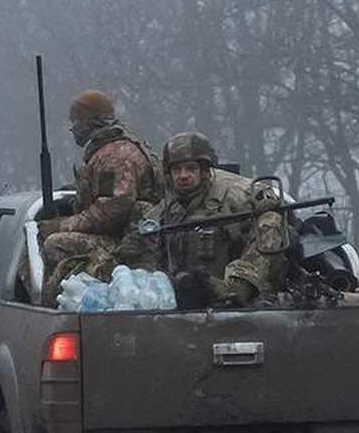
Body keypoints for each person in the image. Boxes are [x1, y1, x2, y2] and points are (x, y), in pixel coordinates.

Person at [36, 90, 162, 304]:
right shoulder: (114, 150)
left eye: (75, 122)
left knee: (55, 243)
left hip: (130, 244)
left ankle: (59, 304)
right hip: (130, 237)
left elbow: (112, 210)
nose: (72, 129)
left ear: (90, 122)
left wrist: (64, 225)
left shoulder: (114, 156)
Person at [148, 131, 288, 307]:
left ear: (205, 171)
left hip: (240, 292)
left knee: (270, 220)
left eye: (191, 168)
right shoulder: (169, 207)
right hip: (189, 293)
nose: (183, 175)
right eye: (177, 170)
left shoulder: (237, 195)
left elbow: (273, 217)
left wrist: (239, 287)